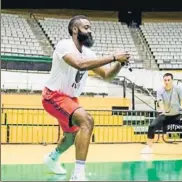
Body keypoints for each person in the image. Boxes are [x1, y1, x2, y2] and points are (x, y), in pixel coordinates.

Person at [41, 15, 130, 181]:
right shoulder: (64, 45)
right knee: (87, 121)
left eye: (90, 28)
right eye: (86, 27)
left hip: (70, 99)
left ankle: (52, 158)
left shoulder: (89, 53)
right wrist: (113, 57)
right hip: (53, 96)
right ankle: (78, 175)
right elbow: (79, 64)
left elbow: (107, 75)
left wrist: (119, 63)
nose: (90, 31)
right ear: (75, 30)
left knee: (71, 137)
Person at [141, 73, 182, 159]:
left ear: (172, 80)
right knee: (152, 126)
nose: (167, 82)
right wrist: (162, 109)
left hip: (178, 115)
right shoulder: (160, 90)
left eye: (168, 80)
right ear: (163, 81)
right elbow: (160, 102)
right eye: (165, 80)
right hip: (166, 115)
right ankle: (149, 148)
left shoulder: (179, 89)